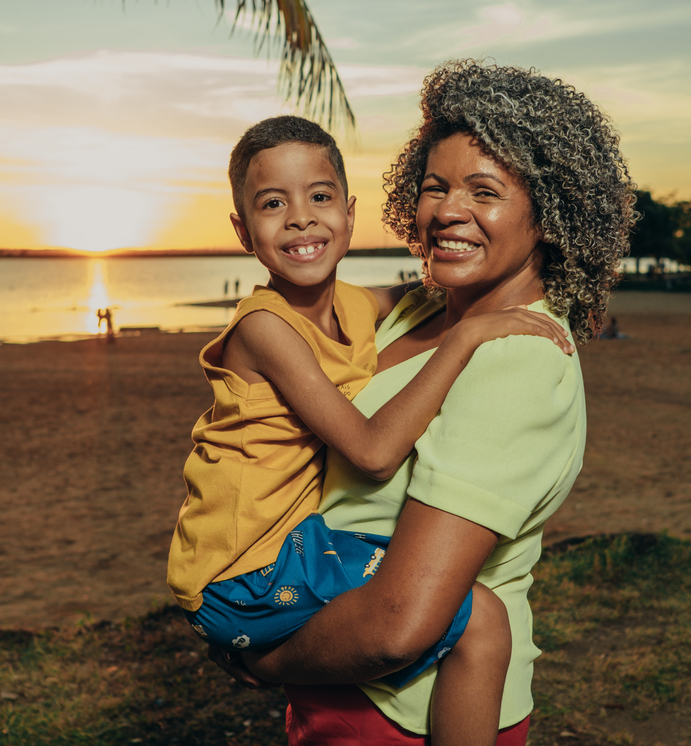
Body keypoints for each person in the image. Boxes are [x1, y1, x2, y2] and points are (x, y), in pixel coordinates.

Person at [214, 60, 637, 746]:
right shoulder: (416, 310)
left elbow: (397, 626)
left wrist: (261, 656)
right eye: (435, 187)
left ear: (550, 211)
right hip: (334, 689)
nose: (447, 210)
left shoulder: (517, 360)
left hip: (409, 711)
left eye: (484, 191)